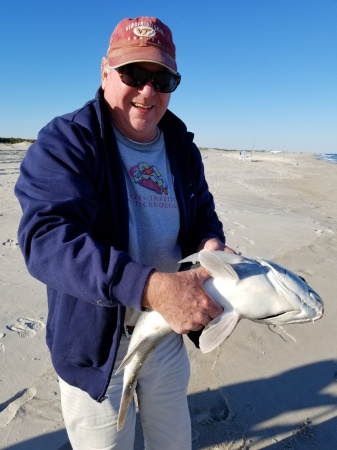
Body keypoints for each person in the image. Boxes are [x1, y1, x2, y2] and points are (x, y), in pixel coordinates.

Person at [15, 16, 234, 450]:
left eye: (163, 78)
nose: (148, 90)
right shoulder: (67, 141)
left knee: (174, 443)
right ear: (104, 71)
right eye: (134, 73)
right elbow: (45, 239)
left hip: (165, 335)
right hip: (96, 347)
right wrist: (151, 287)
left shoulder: (181, 147)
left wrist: (211, 244)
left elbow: (203, 214)